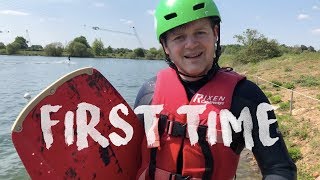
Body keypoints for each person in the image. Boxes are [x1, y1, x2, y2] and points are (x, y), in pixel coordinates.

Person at [134, 0, 297, 179]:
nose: (191, 44)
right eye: (178, 37)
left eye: (200, 32)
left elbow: (279, 169)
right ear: (166, 46)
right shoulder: (148, 93)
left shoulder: (247, 97)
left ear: (215, 33)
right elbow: (128, 158)